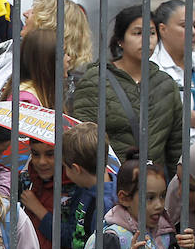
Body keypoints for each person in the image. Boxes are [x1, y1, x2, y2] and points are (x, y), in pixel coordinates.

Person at [71, 10, 183, 171]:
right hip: (111, 184)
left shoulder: (166, 84)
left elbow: (176, 145)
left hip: (154, 186)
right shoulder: (96, 80)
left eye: (151, 33)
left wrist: (173, 188)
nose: (146, 40)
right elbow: (83, 140)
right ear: (120, 41)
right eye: (137, 33)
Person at [0, 0, 94, 102]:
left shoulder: (47, 70)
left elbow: (12, 108)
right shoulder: (14, 45)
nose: (25, 13)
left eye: (34, 12)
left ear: (47, 23)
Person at [150, 0, 195, 143]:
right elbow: (172, 119)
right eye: (185, 26)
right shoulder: (154, 67)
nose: (193, 32)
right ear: (163, 29)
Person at [0, 28, 61, 108]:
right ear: (48, 61)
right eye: (63, 53)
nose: (69, 58)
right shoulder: (26, 101)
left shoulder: (43, 91)